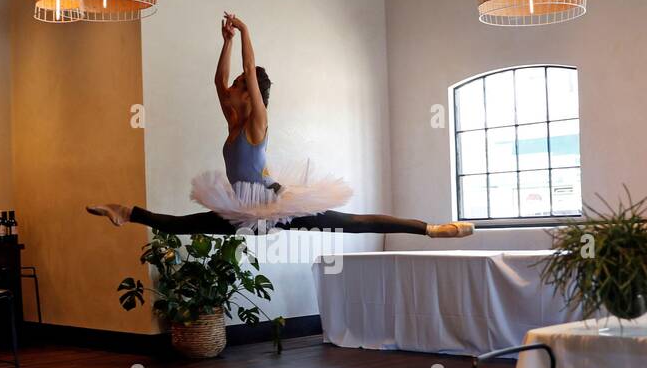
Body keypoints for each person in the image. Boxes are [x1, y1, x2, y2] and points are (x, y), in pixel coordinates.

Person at [87, 13, 473, 238]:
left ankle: (432, 229)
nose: (235, 87)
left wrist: (246, 33)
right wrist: (225, 41)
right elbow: (217, 83)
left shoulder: (257, 123)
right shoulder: (234, 123)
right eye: (239, 85)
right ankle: (125, 210)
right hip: (241, 206)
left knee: (352, 223)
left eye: (241, 84)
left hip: (274, 203)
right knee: (180, 226)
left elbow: (249, 81)